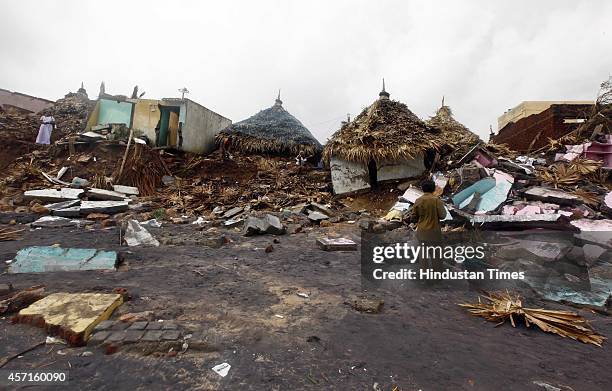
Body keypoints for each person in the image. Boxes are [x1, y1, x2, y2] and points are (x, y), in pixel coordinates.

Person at [410, 179, 447, 275]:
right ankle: (437, 276)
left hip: (422, 233)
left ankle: (424, 276)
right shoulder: (436, 200)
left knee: (423, 256)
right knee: (436, 255)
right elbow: (443, 215)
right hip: (434, 232)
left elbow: (413, 217)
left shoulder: (418, 200)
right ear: (433, 188)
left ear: (422, 189)